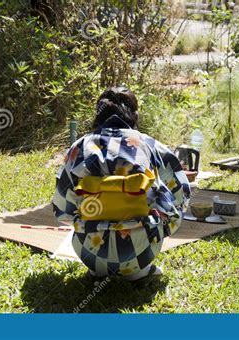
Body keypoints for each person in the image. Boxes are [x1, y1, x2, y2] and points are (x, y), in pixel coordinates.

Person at [52, 86, 190, 281]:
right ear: (134, 115)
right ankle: (140, 271)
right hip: (141, 250)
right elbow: (181, 195)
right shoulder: (149, 145)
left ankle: (99, 269)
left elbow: (60, 208)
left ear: (98, 116)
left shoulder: (79, 147)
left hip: (89, 252)